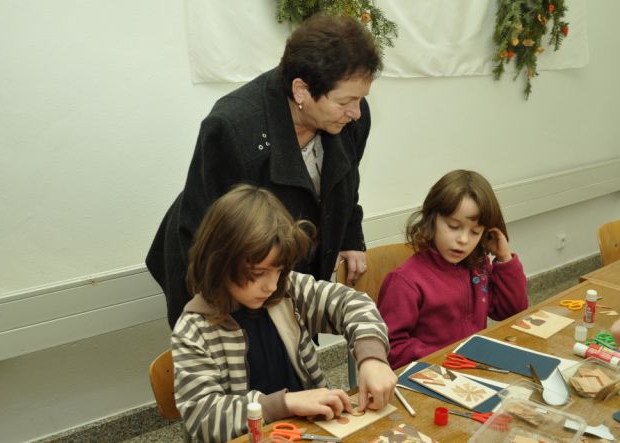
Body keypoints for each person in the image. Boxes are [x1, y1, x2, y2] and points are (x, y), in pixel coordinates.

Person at [147, 14, 381, 328]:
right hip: (221, 262)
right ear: (301, 90)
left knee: (292, 340)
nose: (356, 112)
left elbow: (346, 183)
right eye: (344, 102)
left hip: (285, 263)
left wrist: (350, 237)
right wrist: (223, 314)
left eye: (360, 99)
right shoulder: (232, 128)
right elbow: (201, 235)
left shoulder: (350, 117)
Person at [172, 184, 396, 442]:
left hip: (308, 431)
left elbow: (353, 303)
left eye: (278, 270)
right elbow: (203, 417)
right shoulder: (194, 330)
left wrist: (372, 358)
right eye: (258, 273)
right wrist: (285, 403)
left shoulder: (287, 290)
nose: (271, 285)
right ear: (219, 262)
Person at [377, 170, 528, 369]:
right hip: (432, 373)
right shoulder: (405, 281)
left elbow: (512, 312)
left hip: (469, 367)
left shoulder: (477, 265)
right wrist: (450, 358)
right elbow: (391, 348)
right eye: (453, 226)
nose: (463, 240)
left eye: (475, 232)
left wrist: (504, 258)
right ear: (431, 219)